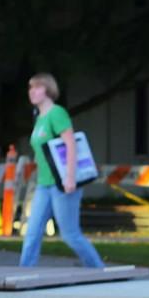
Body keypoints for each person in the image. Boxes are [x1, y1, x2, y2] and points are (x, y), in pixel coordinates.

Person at [19, 73, 106, 270]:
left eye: (37, 88)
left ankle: (97, 268)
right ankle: (24, 270)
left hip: (62, 183)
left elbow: (70, 144)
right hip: (44, 183)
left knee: (70, 234)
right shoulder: (39, 118)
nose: (32, 92)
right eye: (30, 88)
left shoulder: (56, 114)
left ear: (48, 91)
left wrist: (70, 177)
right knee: (32, 230)